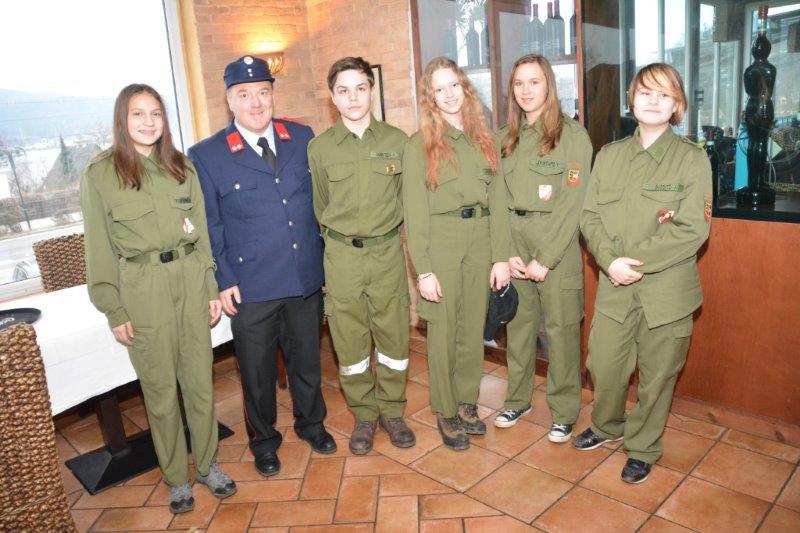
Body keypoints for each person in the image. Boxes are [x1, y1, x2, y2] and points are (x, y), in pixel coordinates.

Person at [81, 84, 236, 513]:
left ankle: (207, 465)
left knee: (199, 384)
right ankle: (177, 478)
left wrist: (210, 288)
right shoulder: (101, 174)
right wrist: (113, 307)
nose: (149, 122)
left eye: (156, 113)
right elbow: (98, 249)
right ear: (122, 119)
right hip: (142, 287)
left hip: (190, 280)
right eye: (138, 114)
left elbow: (201, 234)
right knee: (161, 391)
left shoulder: (181, 167)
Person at [188, 56, 336, 478]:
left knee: (306, 361)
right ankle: (264, 441)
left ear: (272, 95)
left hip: (303, 276)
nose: (255, 103)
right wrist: (223, 279)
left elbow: (316, 204)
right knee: (256, 373)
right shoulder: (207, 154)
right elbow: (211, 224)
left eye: (263, 93)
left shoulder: (301, 137)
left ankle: (312, 425)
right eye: (244, 95)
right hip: (250, 285)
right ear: (230, 101)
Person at [573, 63, 711, 484]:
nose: (653, 101)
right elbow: (589, 216)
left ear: (677, 105)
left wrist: (634, 262)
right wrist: (610, 260)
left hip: (666, 292)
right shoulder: (608, 156)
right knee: (604, 367)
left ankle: (643, 447)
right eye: (646, 93)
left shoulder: (692, 159)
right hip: (615, 285)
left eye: (664, 95)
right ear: (631, 100)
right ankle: (607, 426)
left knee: (657, 378)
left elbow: (692, 229)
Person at [308, 57, 415, 455]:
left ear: (372, 90)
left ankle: (393, 411)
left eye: (360, 88)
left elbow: (406, 201)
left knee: (393, 336)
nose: (352, 98)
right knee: (350, 341)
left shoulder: (398, 142)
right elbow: (320, 206)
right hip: (342, 259)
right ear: (332, 97)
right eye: (343, 90)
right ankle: (365, 415)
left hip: (387, 254)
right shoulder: (319, 148)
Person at [403, 57, 511, 450]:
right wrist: (424, 270)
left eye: (453, 85)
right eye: (439, 89)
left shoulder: (487, 139)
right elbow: (414, 214)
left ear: (465, 88)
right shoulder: (419, 145)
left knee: (472, 327)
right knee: (443, 330)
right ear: (430, 97)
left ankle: (467, 402)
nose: (448, 94)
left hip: (480, 239)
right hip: (442, 241)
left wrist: (501, 257)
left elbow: (499, 203)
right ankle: (446, 410)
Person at [494, 55, 593, 443]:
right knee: (518, 329)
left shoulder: (573, 136)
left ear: (549, 85)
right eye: (518, 83)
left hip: (557, 245)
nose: (526, 90)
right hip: (516, 243)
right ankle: (517, 400)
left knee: (561, 333)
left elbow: (574, 203)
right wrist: (506, 252)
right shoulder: (505, 138)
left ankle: (564, 412)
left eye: (534, 82)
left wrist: (545, 259)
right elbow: (498, 200)